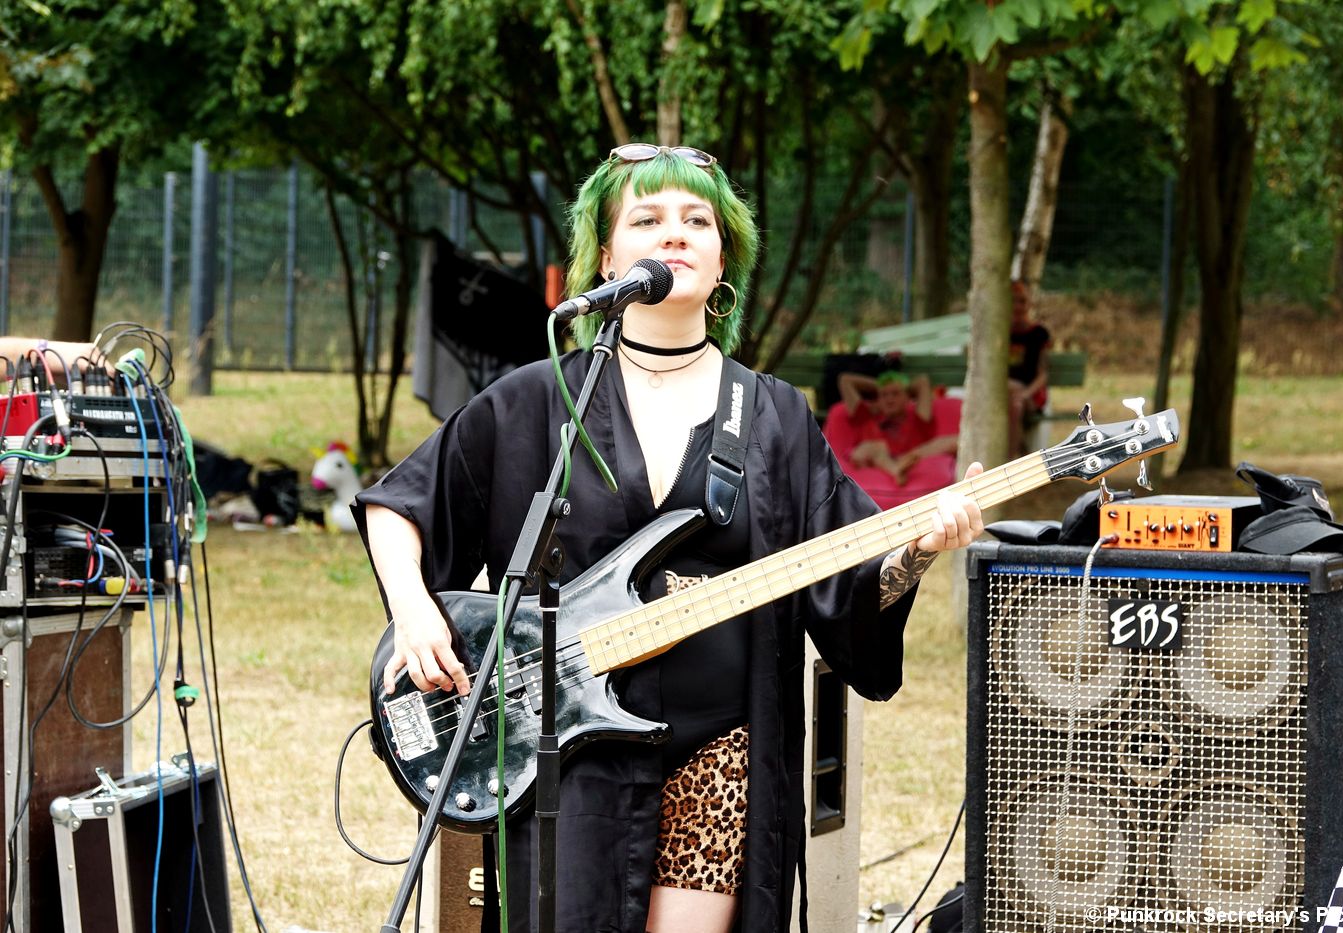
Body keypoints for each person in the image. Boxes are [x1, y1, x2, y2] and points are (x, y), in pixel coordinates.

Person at [353, 144, 984, 933]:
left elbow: (847, 572)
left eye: (697, 221)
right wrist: (414, 612)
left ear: (724, 263)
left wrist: (917, 548)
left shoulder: (773, 415)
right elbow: (400, 504)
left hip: (721, 746)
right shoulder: (538, 399)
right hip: (569, 746)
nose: (675, 234)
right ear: (607, 258)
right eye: (647, 219)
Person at [826, 369, 959, 509]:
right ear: (878, 400)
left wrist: (902, 386)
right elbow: (845, 380)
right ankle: (896, 470)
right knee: (873, 448)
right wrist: (880, 385)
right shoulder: (865, 415)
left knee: (951, 441)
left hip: (912, 455)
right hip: (874, 456)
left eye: (895, 394)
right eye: (884, 395)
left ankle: (903, 461)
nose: (889, 399)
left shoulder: (918, 418)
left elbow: (922, 381)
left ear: (907, 398)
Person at [1008, 280, 1051, 454]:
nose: (1018, 306)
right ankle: (1022, 456)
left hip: (1031, 396)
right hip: (1006, 395)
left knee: (1016, 403)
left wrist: (1025, 393)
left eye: (1022, 301)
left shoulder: (1039, 334)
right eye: (1013, 301)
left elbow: (1043, 374)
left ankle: (1008, 459)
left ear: (1029, 303)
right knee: (1014, 404)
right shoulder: (999, 334)